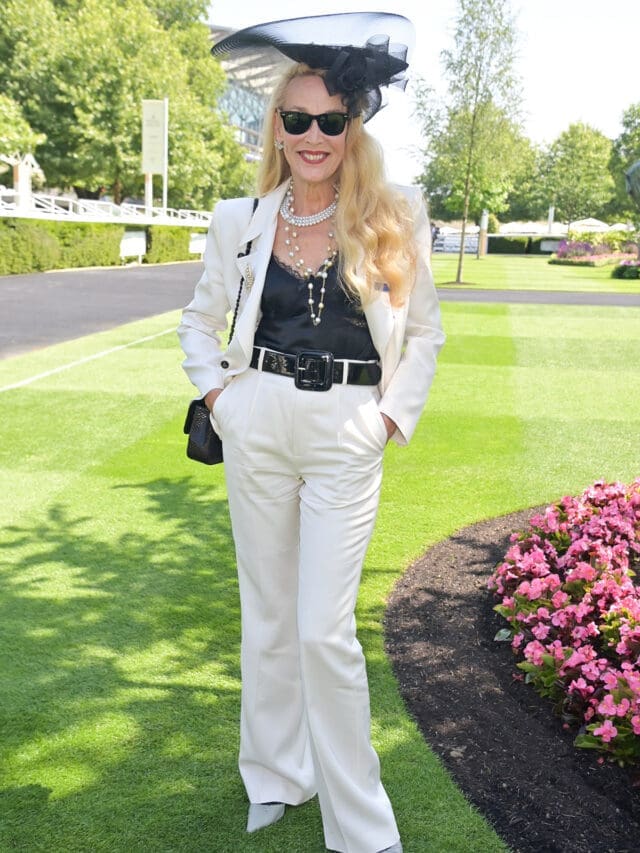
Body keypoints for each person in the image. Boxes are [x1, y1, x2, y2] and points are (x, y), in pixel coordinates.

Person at [178, 13, 445, 853]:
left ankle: (361, 827)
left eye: (331, 119)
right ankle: (275, 775)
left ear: (353, 127)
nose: (313, 135)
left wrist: (389, 416)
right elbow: (198, 321)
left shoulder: (394, 215)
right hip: (257, 420)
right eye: (297, 119)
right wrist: (221, 398)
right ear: (278, 128)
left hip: (345, 430)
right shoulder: (241, 219)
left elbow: (426, 333)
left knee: (324, 628)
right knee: (267, 614)